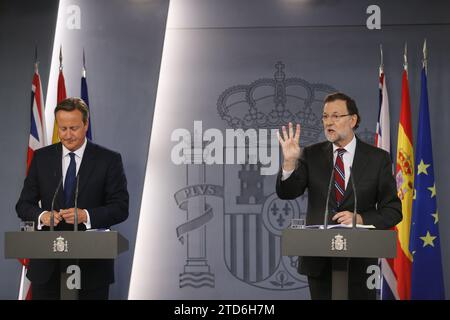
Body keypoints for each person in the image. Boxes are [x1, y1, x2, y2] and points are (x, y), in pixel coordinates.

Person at [276, 92, 402, 300]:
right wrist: (290, 163)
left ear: (353, 120)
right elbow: (287, 193)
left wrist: (361, 219)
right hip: (319, 262)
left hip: (360, 262)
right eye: (325, 116)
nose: (329, 122)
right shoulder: (310, 154)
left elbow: (393, 210)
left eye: (336, 116)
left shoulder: (377, 159)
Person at [16, 97, 129, 300]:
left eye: (74, 128)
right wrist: (42, 216)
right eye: (63, 128)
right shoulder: (42, 158)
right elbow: (23, 205)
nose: (67, 135)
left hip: (91, 266)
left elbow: (120, 207)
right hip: (47, 265)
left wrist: (86, 215)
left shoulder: (109, 160)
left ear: (86, 124)